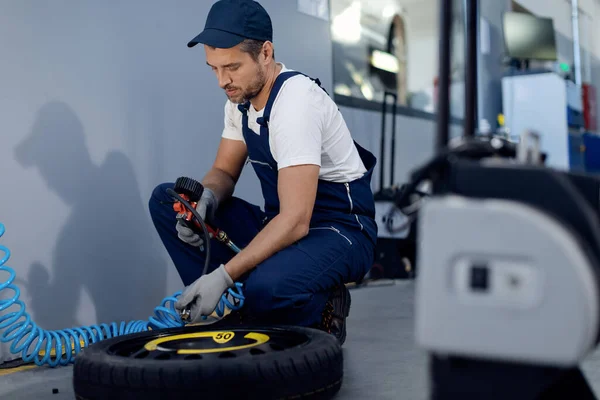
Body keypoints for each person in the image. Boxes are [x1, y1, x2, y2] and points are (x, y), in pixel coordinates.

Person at [148, 0, 378, 344]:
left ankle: (321, 306)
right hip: (281, 222)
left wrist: (224, 275)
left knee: (268, 289)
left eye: (232, 67)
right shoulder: (239, 100)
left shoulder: (295, 102)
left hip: (338, 229)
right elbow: (224, 171)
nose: (222, 80)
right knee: (167, 202)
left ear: (266, 53)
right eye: (214, 68)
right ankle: (231, 310)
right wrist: (205, 200)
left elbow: (297, 220)